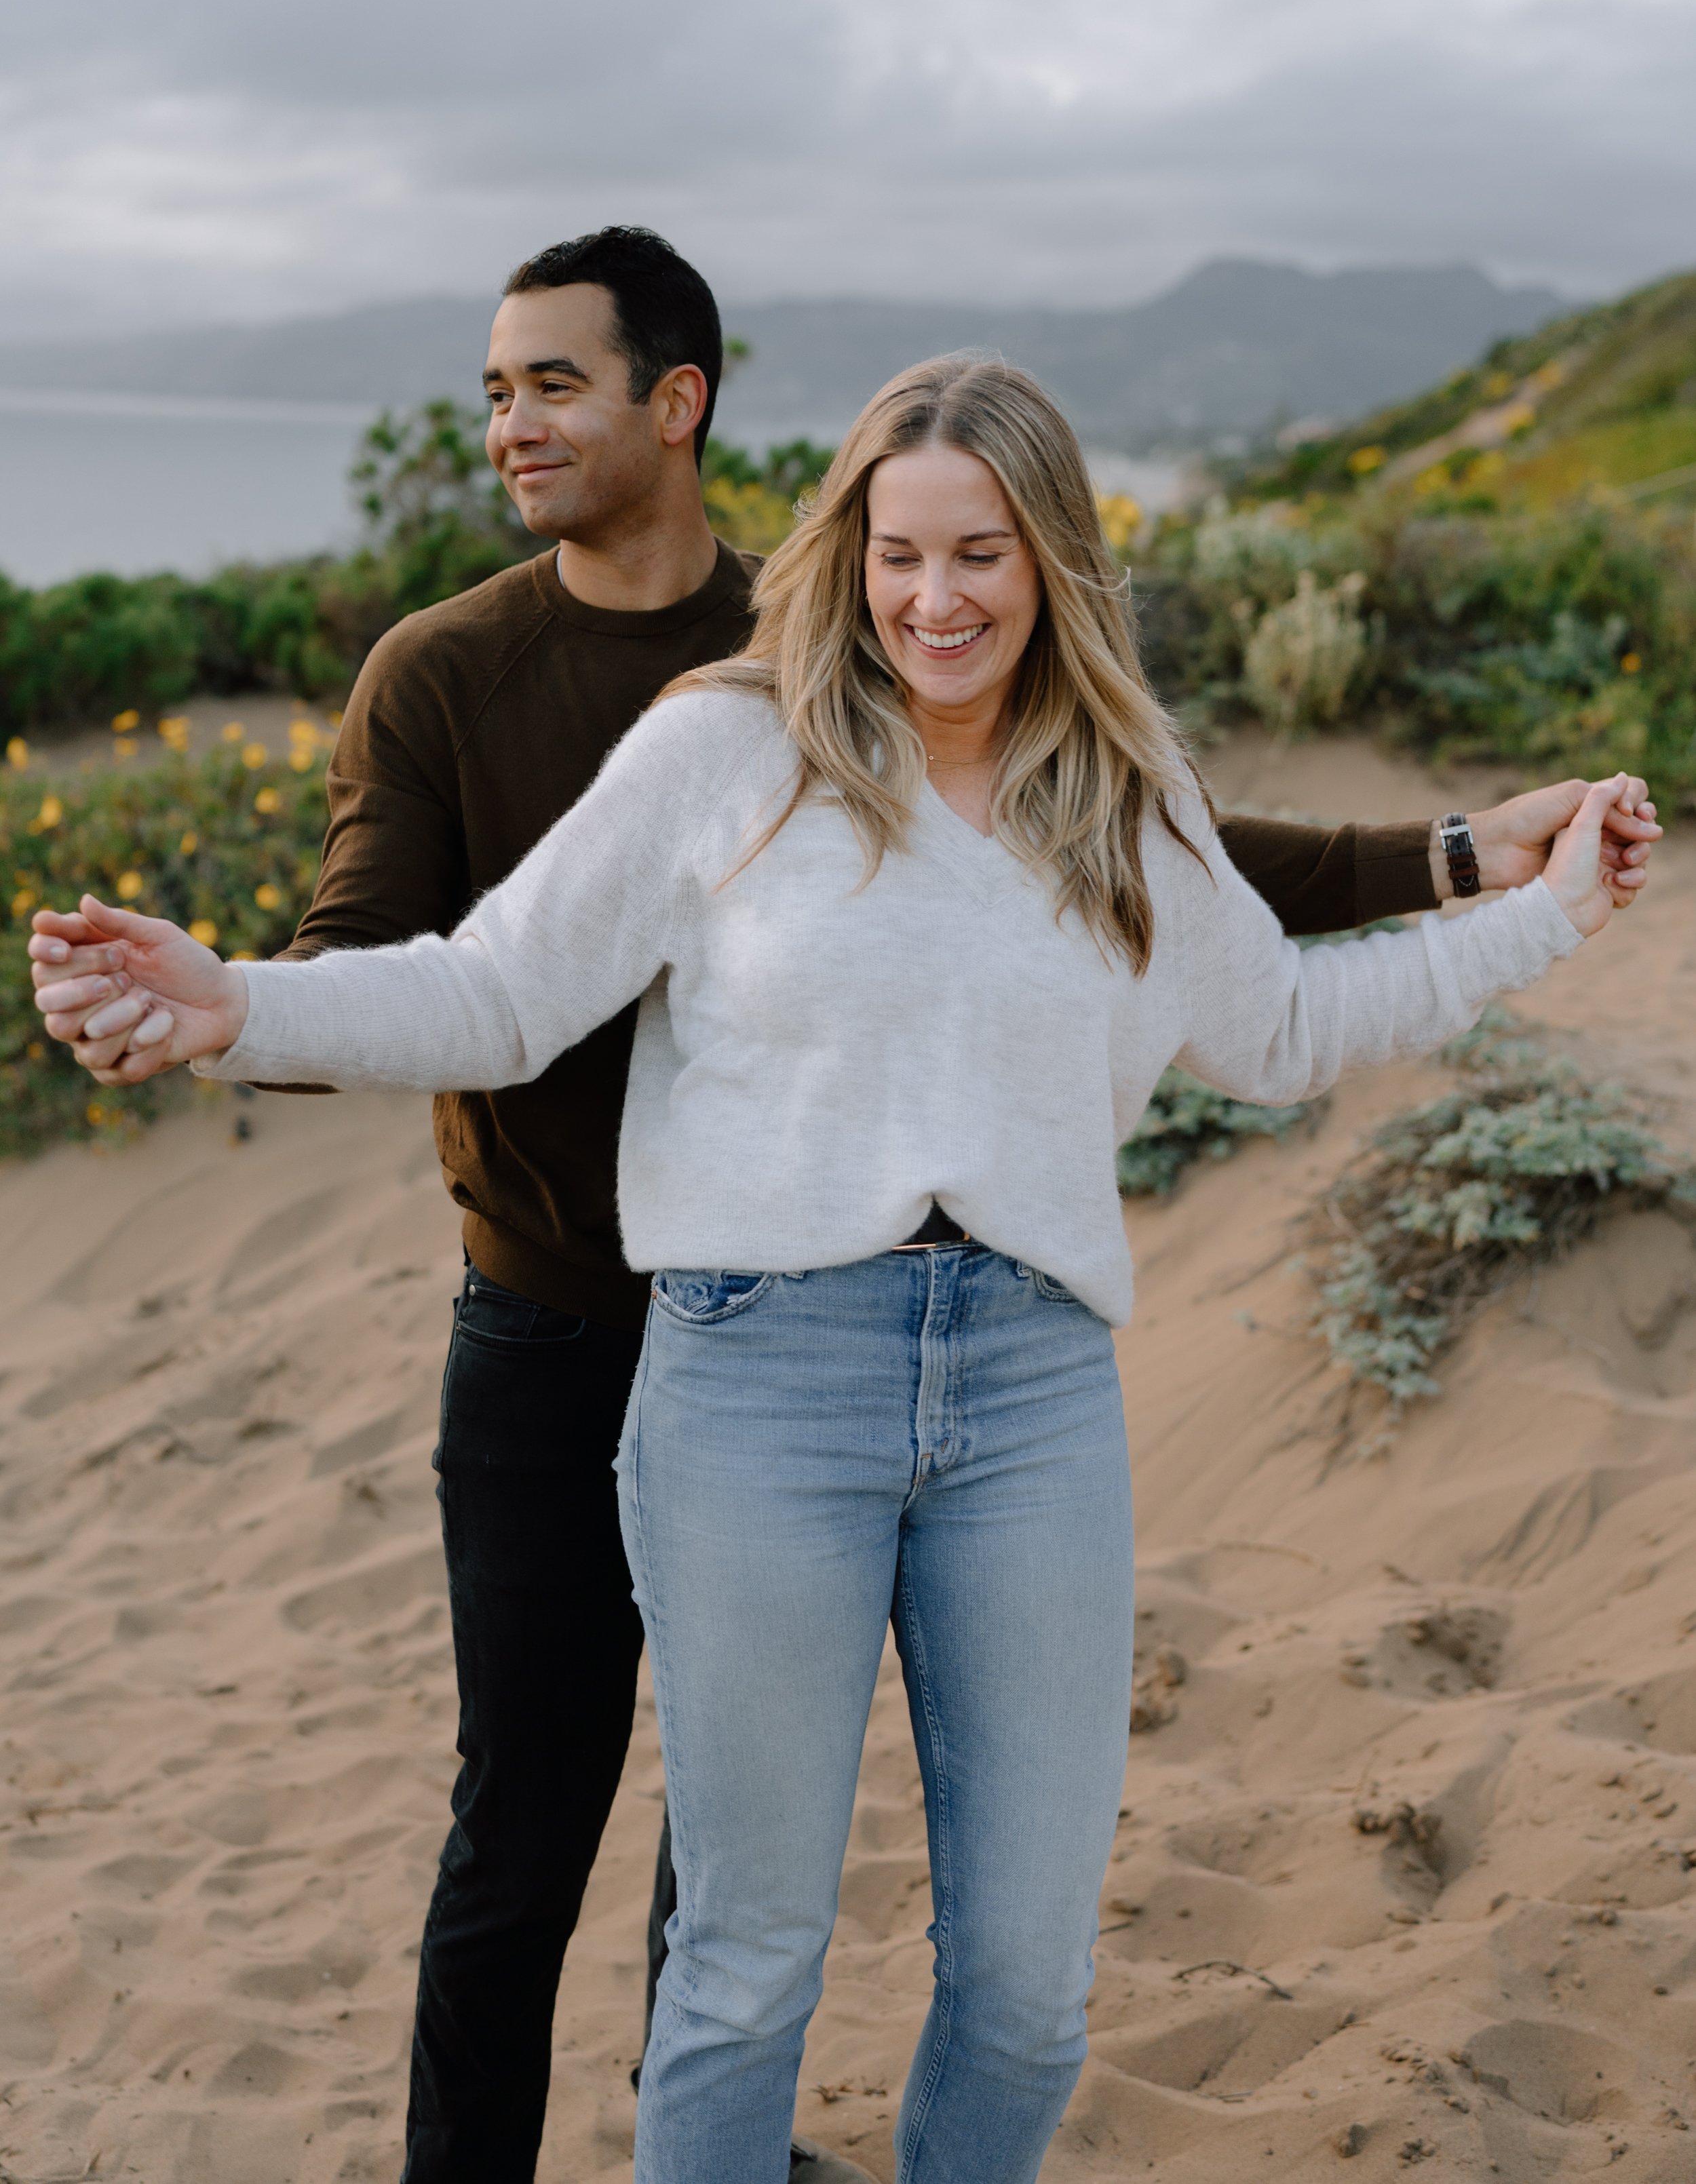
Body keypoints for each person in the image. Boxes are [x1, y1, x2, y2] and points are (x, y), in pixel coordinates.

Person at [35, 348, 1653, 2184]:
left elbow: (1276, 1028)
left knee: (1031, 1986)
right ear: (848, 553)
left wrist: (1543, 917)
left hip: (1034, 1390)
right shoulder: (730, 751)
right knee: (742, 1968)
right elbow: (493, 992)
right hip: (756, 1382)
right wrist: (236, 1003)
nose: (932, 599)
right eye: (897, 553)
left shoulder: (1120, 783)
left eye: (979, 554)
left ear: (1050, 559)